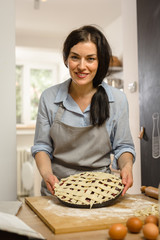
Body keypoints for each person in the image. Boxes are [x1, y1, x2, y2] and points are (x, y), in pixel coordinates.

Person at [31, 25, 135, 197]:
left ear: (100, 61)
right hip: (57, 190)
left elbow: (123, 146)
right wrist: (47, 174)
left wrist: (127, 167)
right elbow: (42, 146)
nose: (81, 66)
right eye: (75, 57)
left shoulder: (117, 100)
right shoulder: (49, 98)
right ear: (66, 59)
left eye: (90, 59)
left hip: (101, 191)